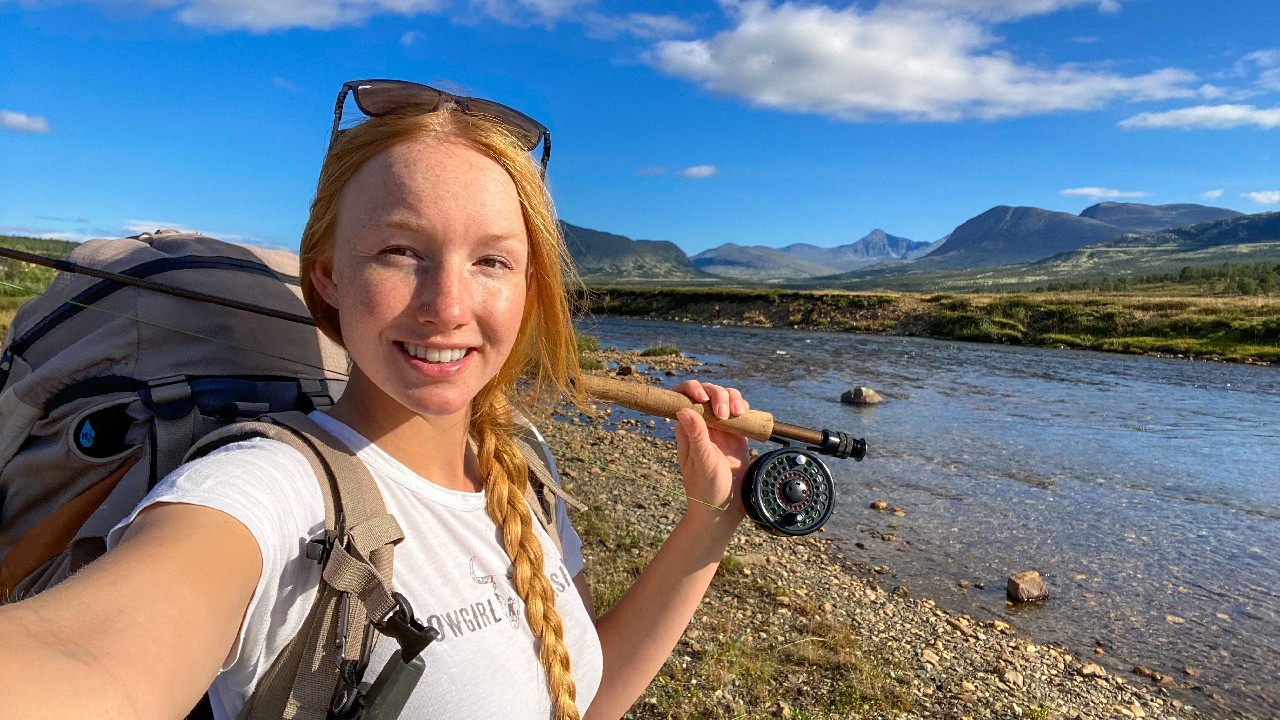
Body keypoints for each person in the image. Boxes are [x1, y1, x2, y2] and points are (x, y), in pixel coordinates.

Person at [0, 79, 752, 720]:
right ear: (327, 275)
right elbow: (87, 656)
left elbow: (580, 696)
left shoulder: (521, 461)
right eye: (400, 251)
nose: (448, 306)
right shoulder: (267, 491)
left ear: (528, 288)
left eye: (492, 260)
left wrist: (709, 518)